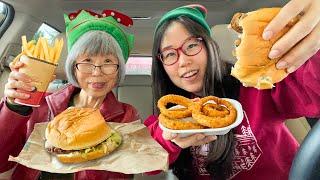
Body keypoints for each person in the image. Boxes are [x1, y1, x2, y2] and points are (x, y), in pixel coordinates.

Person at [144, 2, 320, 180]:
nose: (183, 61)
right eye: (170, 54)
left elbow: (313, 93)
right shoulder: (171, 115)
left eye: (191, 46)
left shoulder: (257, 83)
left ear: (210, 46)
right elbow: (145, 158)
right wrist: (168, 137)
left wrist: (314, 44)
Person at [0, 9, 138, 179]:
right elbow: (2, 161)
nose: (97, 72)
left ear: (119, 70)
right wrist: (14, 108)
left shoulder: (127, 116)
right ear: (73, 66)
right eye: (87, 61)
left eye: (108, 62)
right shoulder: (39, 104)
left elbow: (123, 174)